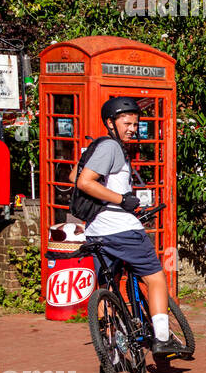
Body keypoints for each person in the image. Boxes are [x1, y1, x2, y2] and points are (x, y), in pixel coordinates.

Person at [73, 96, 184, 356]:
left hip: (96, 230)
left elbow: (74, 176)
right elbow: (84, 183)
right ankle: (162, 338)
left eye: (135, 123)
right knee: (156, 279)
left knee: (106, 287)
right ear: (111, 122)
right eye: (127, 122)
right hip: (121, 228)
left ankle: (110, 345)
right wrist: (123, 200)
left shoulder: (99, 147)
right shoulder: (111, 147)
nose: (133, 128)